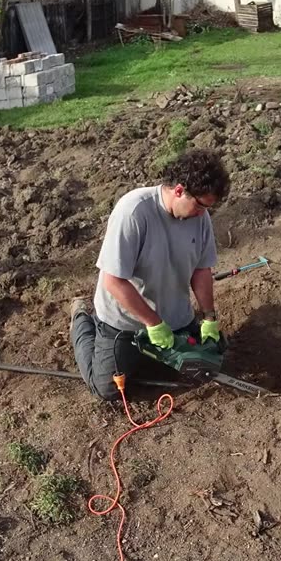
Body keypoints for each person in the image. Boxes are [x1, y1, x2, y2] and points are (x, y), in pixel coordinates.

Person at [70, 149, 230, 401]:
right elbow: (113, 281)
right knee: (107, 389)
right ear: (179, 190)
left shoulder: (200, 218)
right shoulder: (134, 211)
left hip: (175, 317)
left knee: (196, 370)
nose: (203, 213)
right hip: (125, 322)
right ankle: (81, 317)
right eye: (200, 205)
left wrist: (209, 316)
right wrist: (153, 323)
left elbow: (201, 269)